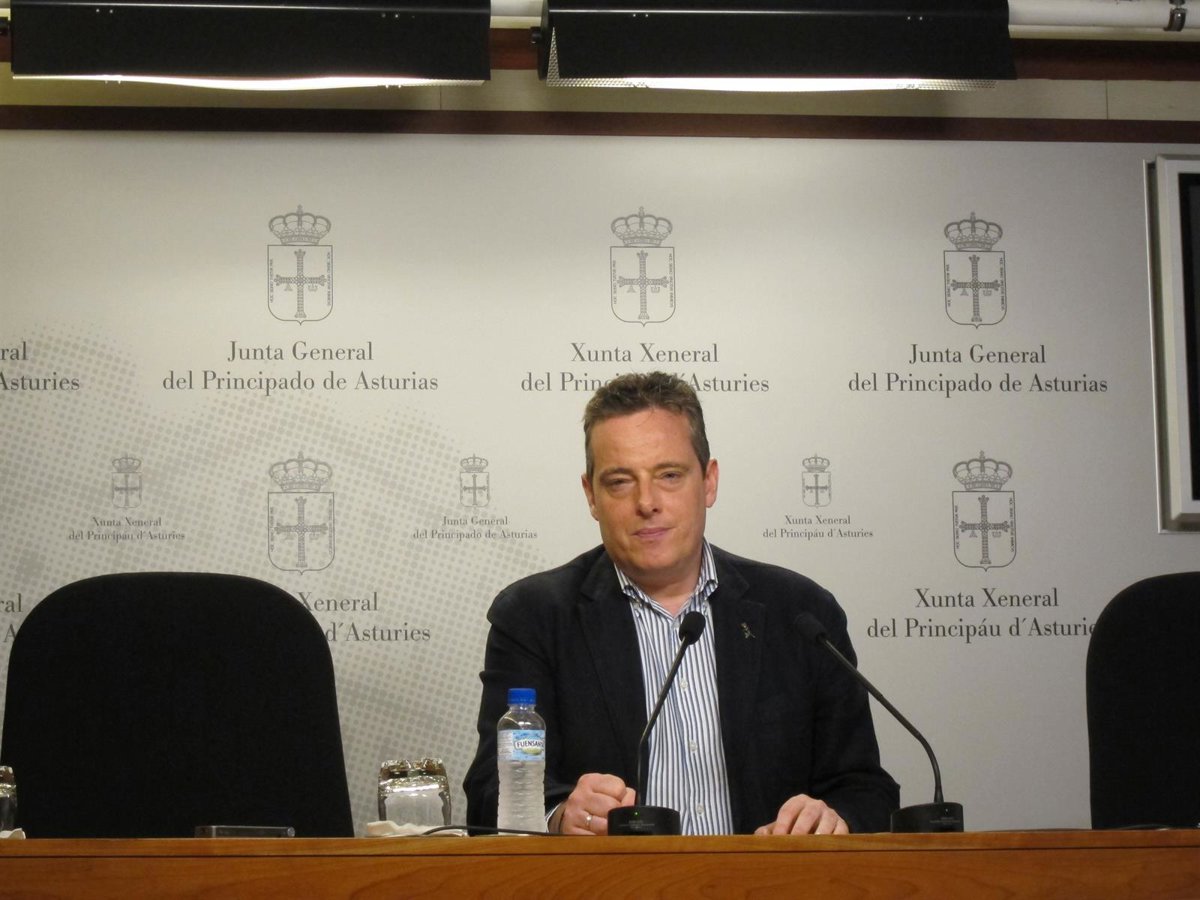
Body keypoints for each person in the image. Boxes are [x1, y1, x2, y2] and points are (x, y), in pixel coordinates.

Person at [464, 372, 898, 835]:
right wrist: (559, 815)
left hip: (767, 876)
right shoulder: (534, 617)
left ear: (708, 482)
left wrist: (833, 818)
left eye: (669, 476)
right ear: (591, 496)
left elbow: (865, 789)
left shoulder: (801, 613)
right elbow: (492, 789)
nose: (647, 502)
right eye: (620, 482)